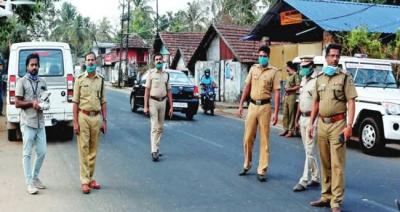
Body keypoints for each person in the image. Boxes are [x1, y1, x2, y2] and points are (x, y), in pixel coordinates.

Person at [308, 44, 357, 212]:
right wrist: (311, 124)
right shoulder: (319, 77)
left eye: (338, 56)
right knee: (325, 162)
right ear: (326, 57)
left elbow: (351, 101)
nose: (335, 58)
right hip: (322, 124)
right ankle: (325, 196)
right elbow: (316, 102)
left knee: (337, 164)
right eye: (332, 55)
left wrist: (349, 125)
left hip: (338, 124)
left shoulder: (344, 77)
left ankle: (336, 201)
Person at [237, 45, 281, 182]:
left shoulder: (274, 72)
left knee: (264, 140)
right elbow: (247, 87)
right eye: (260, 56)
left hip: (265, 107)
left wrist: (276, 112)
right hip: (252, 106)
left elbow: (277, 93)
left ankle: (262, 169)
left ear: (268, 57)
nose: (262, 58)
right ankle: (247, 164)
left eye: (264, 56)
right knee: (248, 137)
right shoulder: (253, 69)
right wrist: (241, 105)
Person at [72, 52, 107, 194]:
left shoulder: (101, 80)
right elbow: (75, 102)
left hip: (96, 117)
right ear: (85, 62)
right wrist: (75, 122)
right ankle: (84, 181)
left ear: (96, 62)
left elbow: (103, 101)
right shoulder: (79, 79)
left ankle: (91, 178)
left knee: (93, 149)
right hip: (83, 117)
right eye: (89, 60)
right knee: (83, 149)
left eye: (93, 60)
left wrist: (104, 120)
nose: (91, 62)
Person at [15, 53, 47, 194]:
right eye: (31, 65)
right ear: (27, 66)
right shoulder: (21, 81)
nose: (34, 67)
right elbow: (17, 102)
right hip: (28, 122)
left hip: (40, 123)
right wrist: (31, 103)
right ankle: (29, 183)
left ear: (39, 66)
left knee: (42, 152)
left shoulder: (42, 82)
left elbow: (45, 99)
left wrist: (44, 104)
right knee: (27, 154)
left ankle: (34, 177)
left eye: (36, 65)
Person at [292, 57, 320, 192]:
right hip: (302, 117)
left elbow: (317, 103)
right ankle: (315, 177)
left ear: (312, 66)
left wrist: (312, 122)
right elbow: (300, 100)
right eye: (302, 66)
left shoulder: (317, 81)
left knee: (309, 150)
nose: (303, 68)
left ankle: (304, 180)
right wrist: (297, 119)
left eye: (306, 66)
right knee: (307, 150)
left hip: (312, 119)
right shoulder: (303, 80)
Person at [143, 53, 173, 162]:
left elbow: (169, 91)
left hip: (163, 102)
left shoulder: (166, 75)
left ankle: (156, 147)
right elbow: (146, 91)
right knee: (154, 126)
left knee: (161, 128)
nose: (159, 61)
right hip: (153, 102)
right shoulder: (151, 74)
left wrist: (171, 107)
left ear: (163, 61)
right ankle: (154, 151)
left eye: (160, 59)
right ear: (154, 62)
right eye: (156, 59)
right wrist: (145, 106)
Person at [279, 61, 300, 137]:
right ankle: (285, 129)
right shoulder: (288, 76)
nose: (285, 68)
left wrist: (290, 89)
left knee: (291, 113)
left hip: (292, 96)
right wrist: (284, 95)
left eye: (286, 66)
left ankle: (291, 131)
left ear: (289, 66)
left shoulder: (295, 75)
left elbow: (298, 86)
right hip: (287, 95)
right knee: (285, 113)